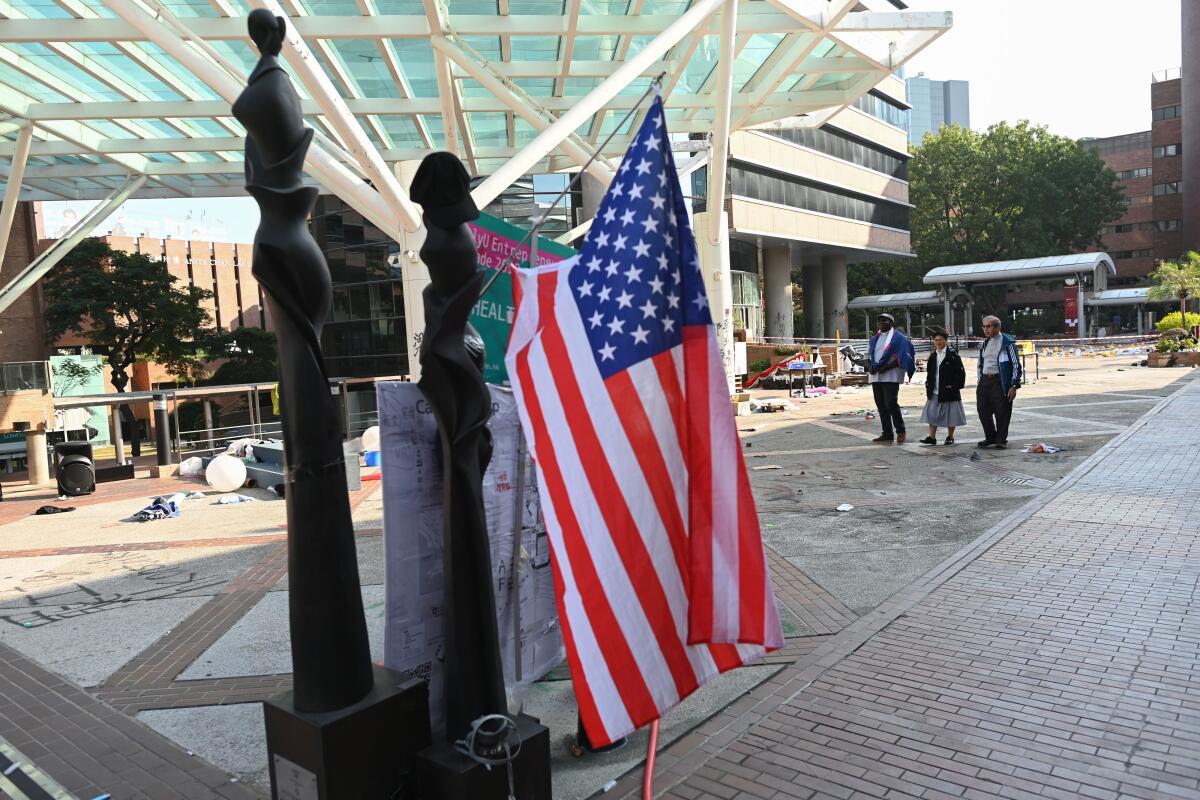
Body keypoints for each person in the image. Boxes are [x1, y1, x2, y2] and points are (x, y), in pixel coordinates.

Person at [867, 312, 916, 444]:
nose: (882, 323)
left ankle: (901, 431)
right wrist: (869, 366)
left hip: (891, 375)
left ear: (892, 323)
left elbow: (903, 356)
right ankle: (887, 433)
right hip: (876, 376)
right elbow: (868, 355)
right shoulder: (874, 338)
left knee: (891, 403)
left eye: (885, 320)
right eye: (880, 321)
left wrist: (887, 367)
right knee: (881, 405)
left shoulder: (899, 338)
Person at [976, 315, 1022, 449]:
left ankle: (1001, 440)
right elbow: (981, 363)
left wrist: (1014, 385)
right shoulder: (985, 343)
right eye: (984, 326)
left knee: (1002, 412)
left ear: (997, 327)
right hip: (984, 381)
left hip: (1000, 381)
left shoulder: (1007, 343)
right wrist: (980, 379)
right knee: (983, 410)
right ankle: (990, 437)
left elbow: (1016, 365)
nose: (986, 329)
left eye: (989, 326)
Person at [918, 329, 966, 445]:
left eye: (941, 340)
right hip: (934, 390)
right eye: (936, 340)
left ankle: (950, 437)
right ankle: (932, 437)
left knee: (951, 414)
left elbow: (960, 374)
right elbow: (930, 373)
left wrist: (954, 386)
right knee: (931, 414)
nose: (938, 342)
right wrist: (928, 385)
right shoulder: (933, 356)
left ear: (946, 340)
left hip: (949, 390)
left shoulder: (953, 355)